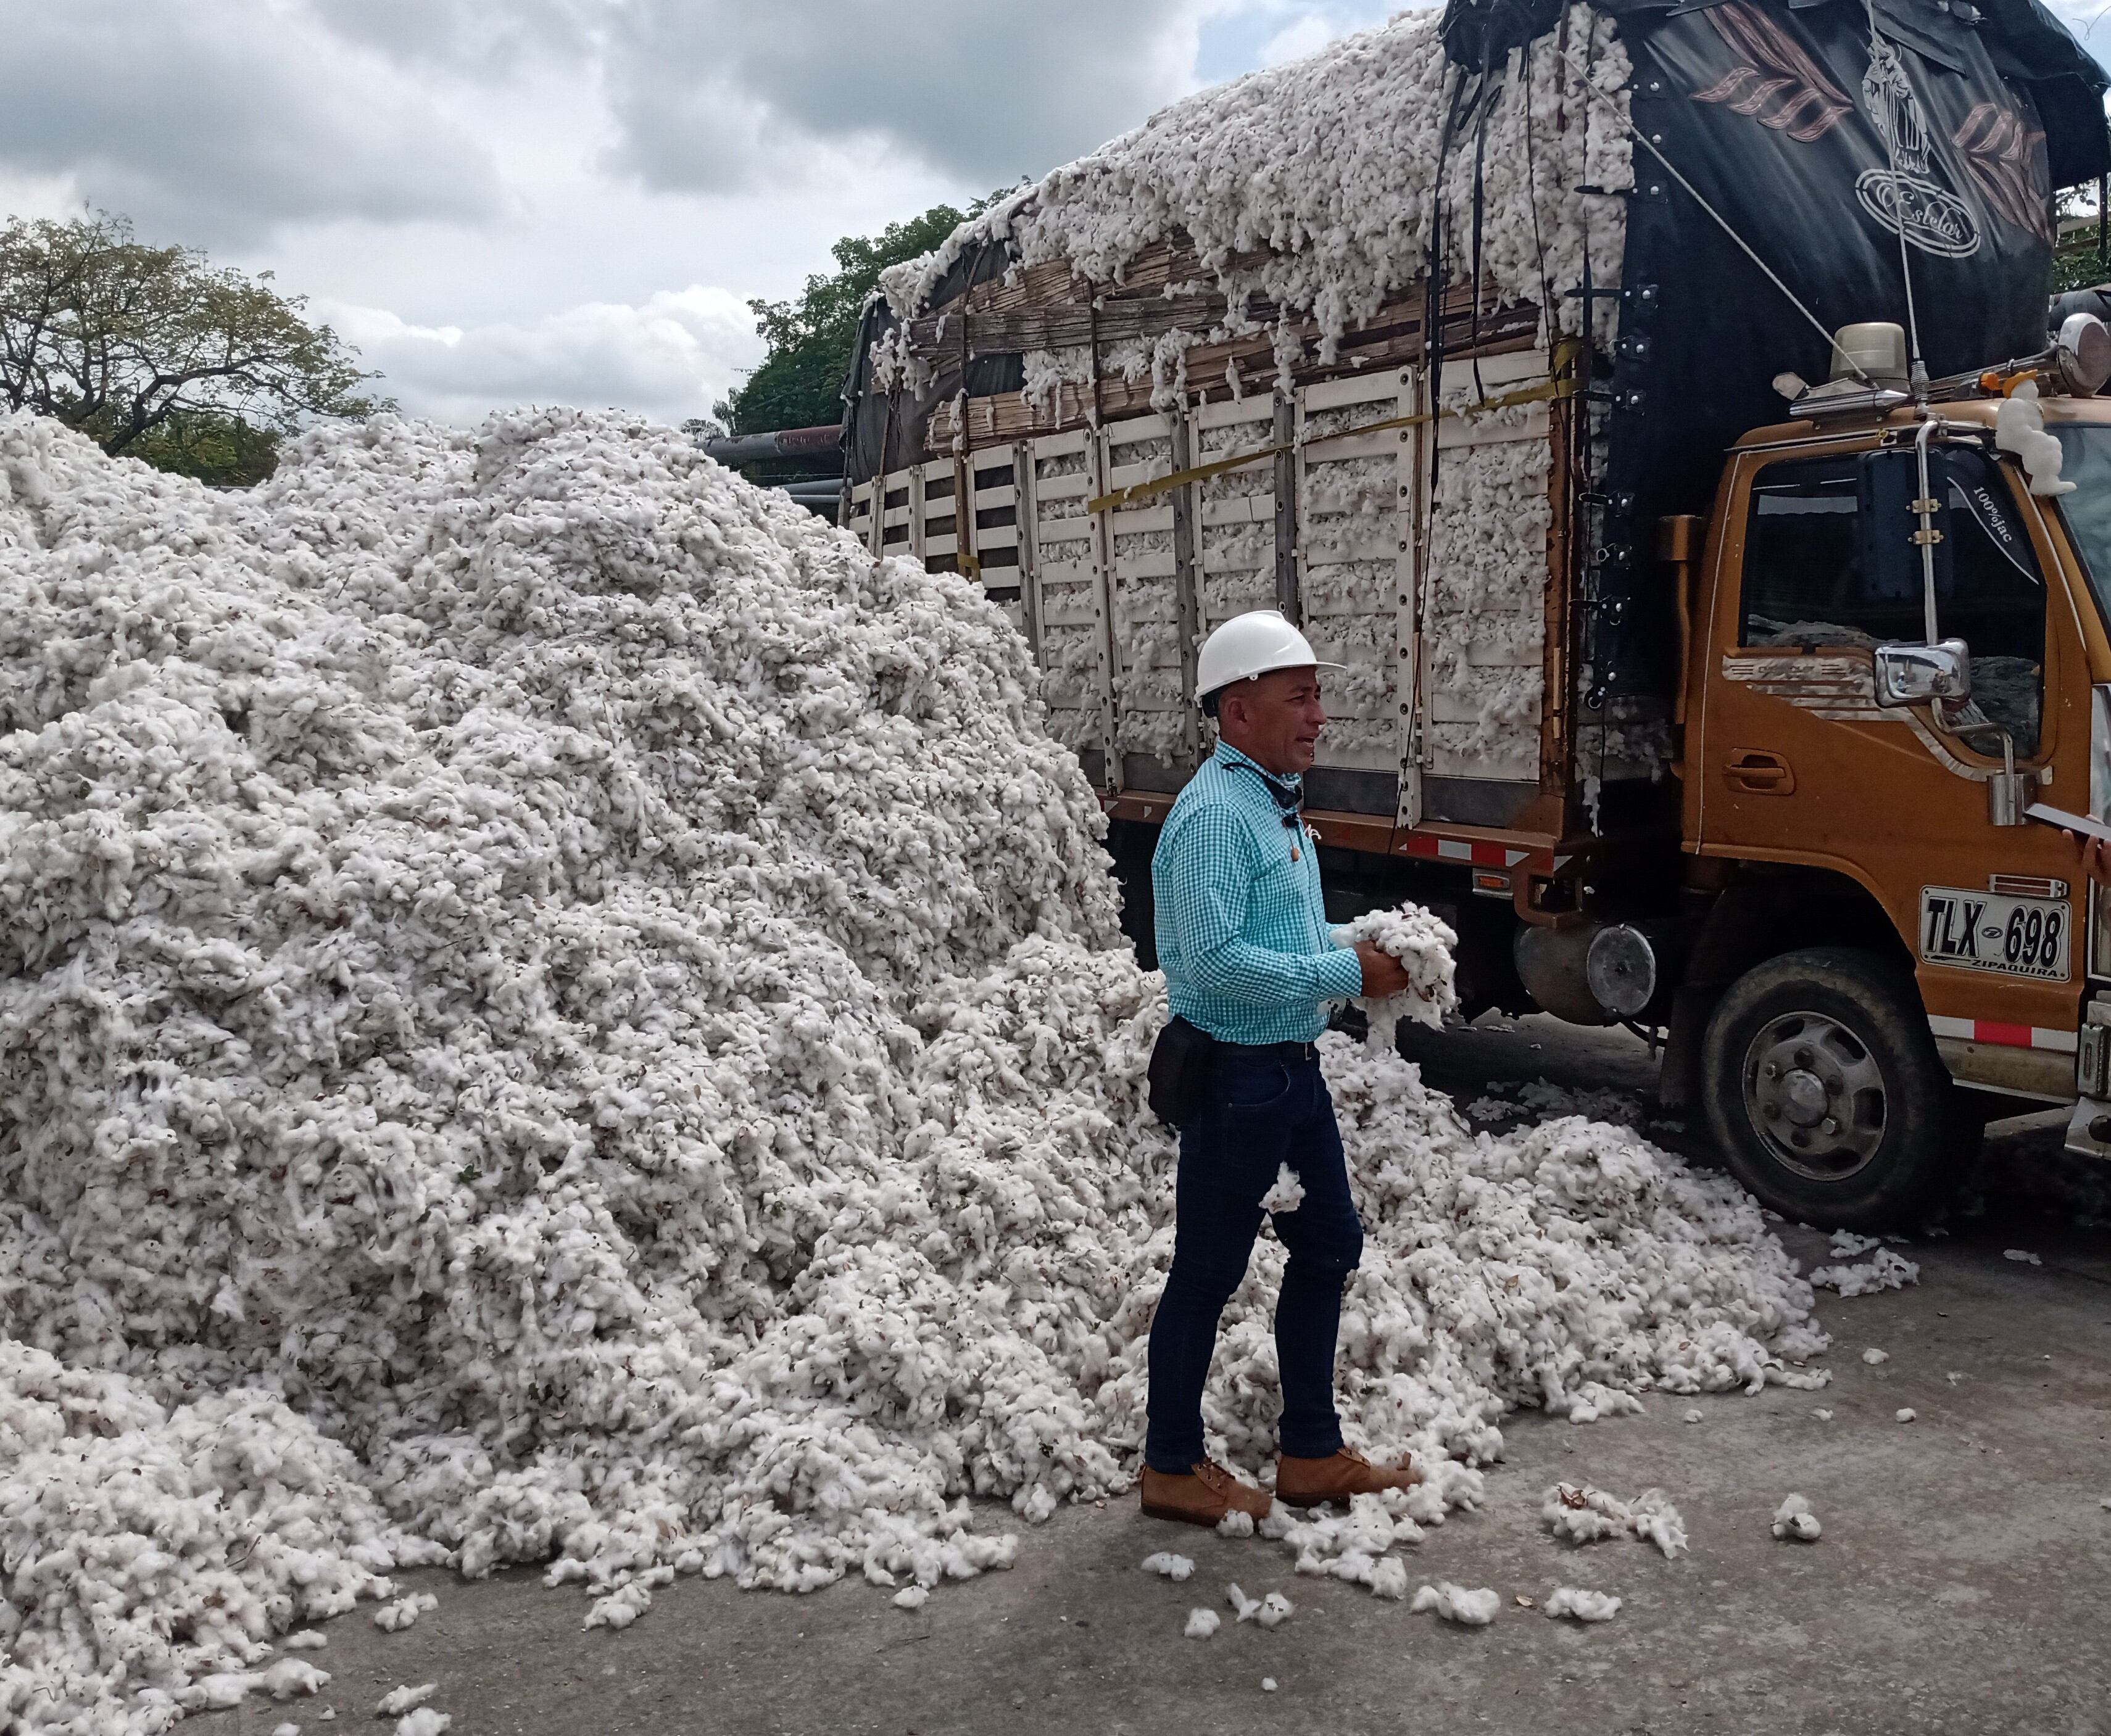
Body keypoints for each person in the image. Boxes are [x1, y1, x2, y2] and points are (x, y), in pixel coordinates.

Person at [1139, 608, 1422, 1527]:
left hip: (1289, 1074)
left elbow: (1286, 939)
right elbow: (1209, 963)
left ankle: (1309, 1452)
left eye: (1316, 696)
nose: (1318, 716)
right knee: (1207, 1273)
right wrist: (1348, 974)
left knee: (1330, 1243)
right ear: (1237, 711)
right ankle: (1170, 1466)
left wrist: (1367, 947)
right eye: (1298, 697)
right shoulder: (1215, 817)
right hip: (1237, 1080)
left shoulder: (1270, 803)